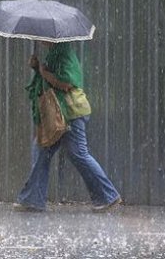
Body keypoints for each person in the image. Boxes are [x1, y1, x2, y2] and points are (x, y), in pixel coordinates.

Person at [15, 41, 122, 212]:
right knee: (42, 151)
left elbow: (67, 84)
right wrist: (37, 68)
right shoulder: (54, 54)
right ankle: (32, 199)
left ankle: (108, 196)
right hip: (61, 114)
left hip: (71, 112)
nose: (42, 40)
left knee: (79, 154)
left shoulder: (64, 54)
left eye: (45, 36)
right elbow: (50, 79)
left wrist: (44, 72)